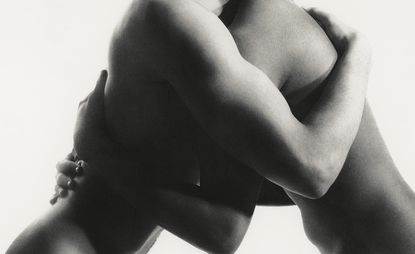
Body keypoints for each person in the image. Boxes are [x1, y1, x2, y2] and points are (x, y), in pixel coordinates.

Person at [7, 1, 372, 254]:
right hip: (70, 244)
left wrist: (101, 154)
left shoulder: (227, 30)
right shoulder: (174, 17)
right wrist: (359, 54)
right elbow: (228, 229)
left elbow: (278, 182)